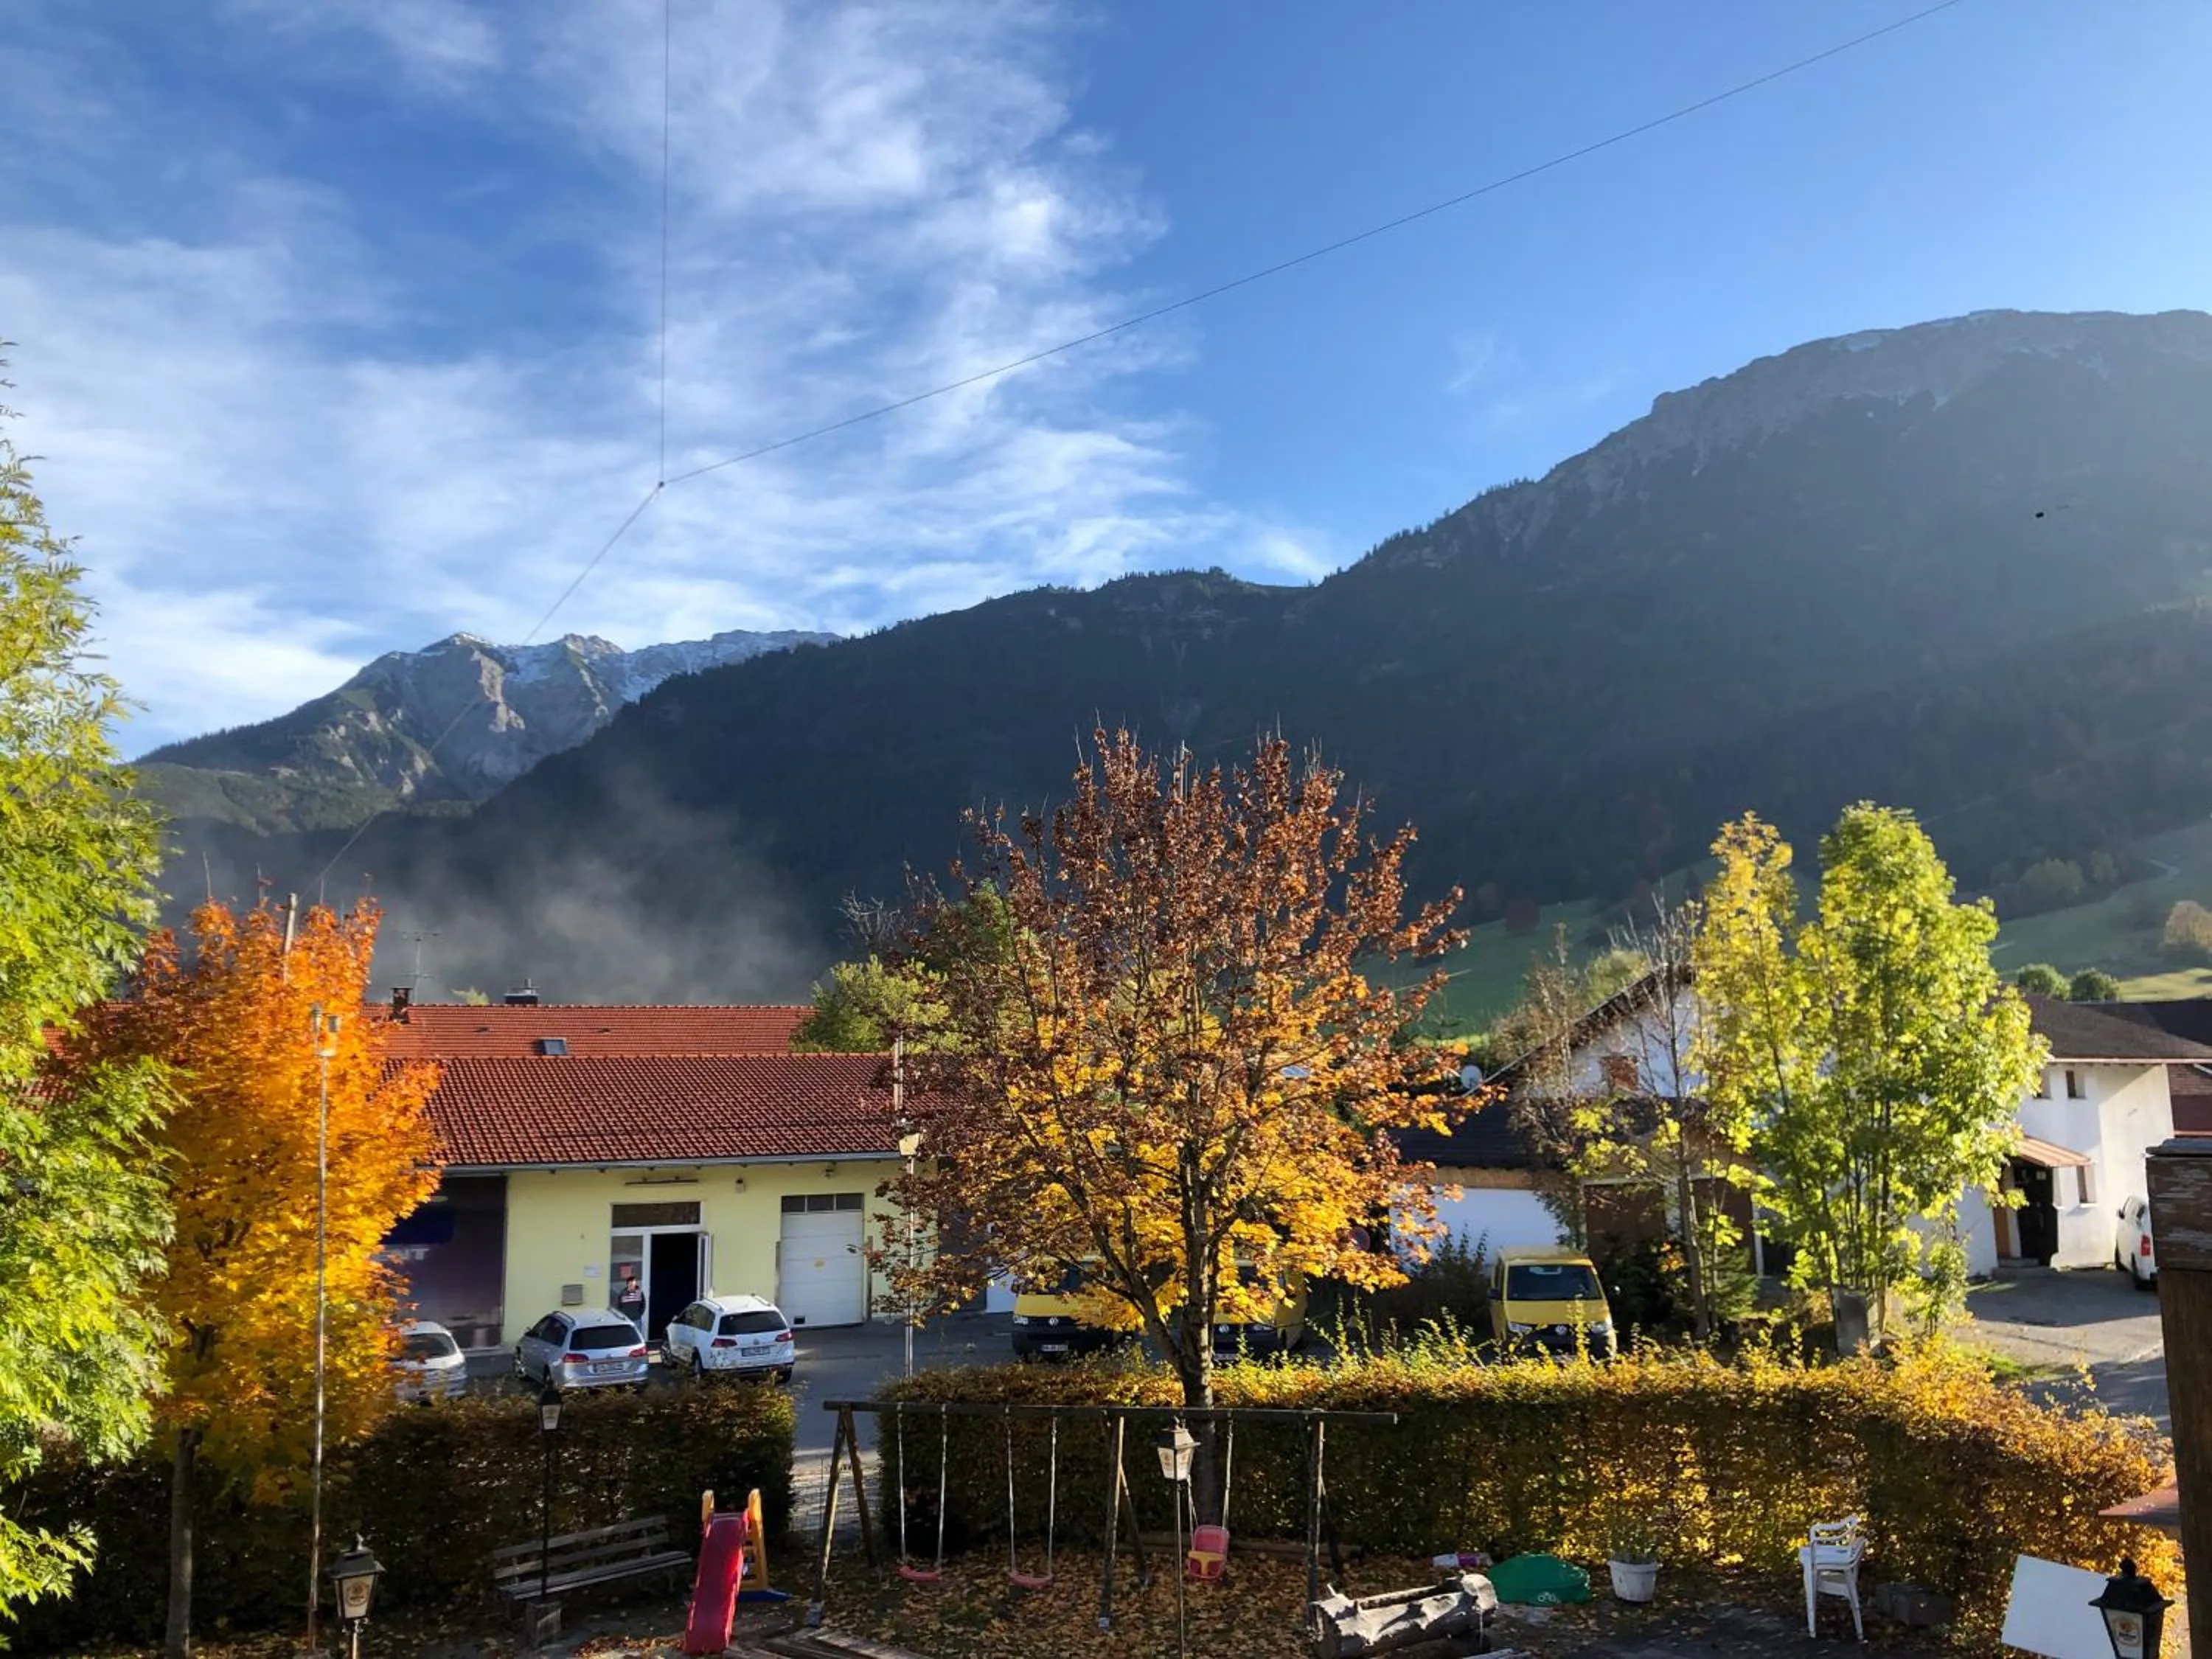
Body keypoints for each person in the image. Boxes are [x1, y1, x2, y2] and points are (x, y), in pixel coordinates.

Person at [615, 1264, 647, 1332]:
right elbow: (618, 1305)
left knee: (637, 1334)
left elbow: (643, 1305)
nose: (632, 1285)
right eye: (630, 1283)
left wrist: (639, 1314)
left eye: (633, 1283)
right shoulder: (623, 1293)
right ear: (627, 1284)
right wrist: (623, 1315)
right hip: (626, 1319)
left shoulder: (639, 1293)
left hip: (637, 1319)